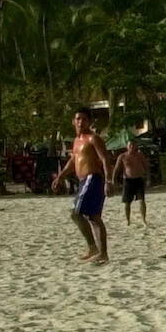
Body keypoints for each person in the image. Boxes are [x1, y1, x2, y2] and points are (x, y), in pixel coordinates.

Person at [51, 108, 115, 265]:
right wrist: (60, 177)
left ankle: (95, 248)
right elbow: (73, 161)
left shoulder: (93, 139)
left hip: (93, 179)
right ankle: (101, 253)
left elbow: (105, 160)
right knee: (93, 217)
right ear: (73, 121)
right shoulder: (76, 141)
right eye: (78, 119)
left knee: (76, 213)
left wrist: (108, 181)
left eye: (84, 119)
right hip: (83, 181)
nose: (80, 122)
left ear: (89, 122)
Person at [113, 140, 150, 227]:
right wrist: (113, 181)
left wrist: (148, 178)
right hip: (128, 181)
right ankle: (128, 220)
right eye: (130, 146)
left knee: (142, 201)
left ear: (136, 146)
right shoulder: (122, 156)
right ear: (127, 146)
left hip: (139, 179)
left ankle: (144, 220)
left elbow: (147, 167)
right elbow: (116, 169)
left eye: (133, 146)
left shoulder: (140, 155)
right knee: (127, 202)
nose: (132, 147)